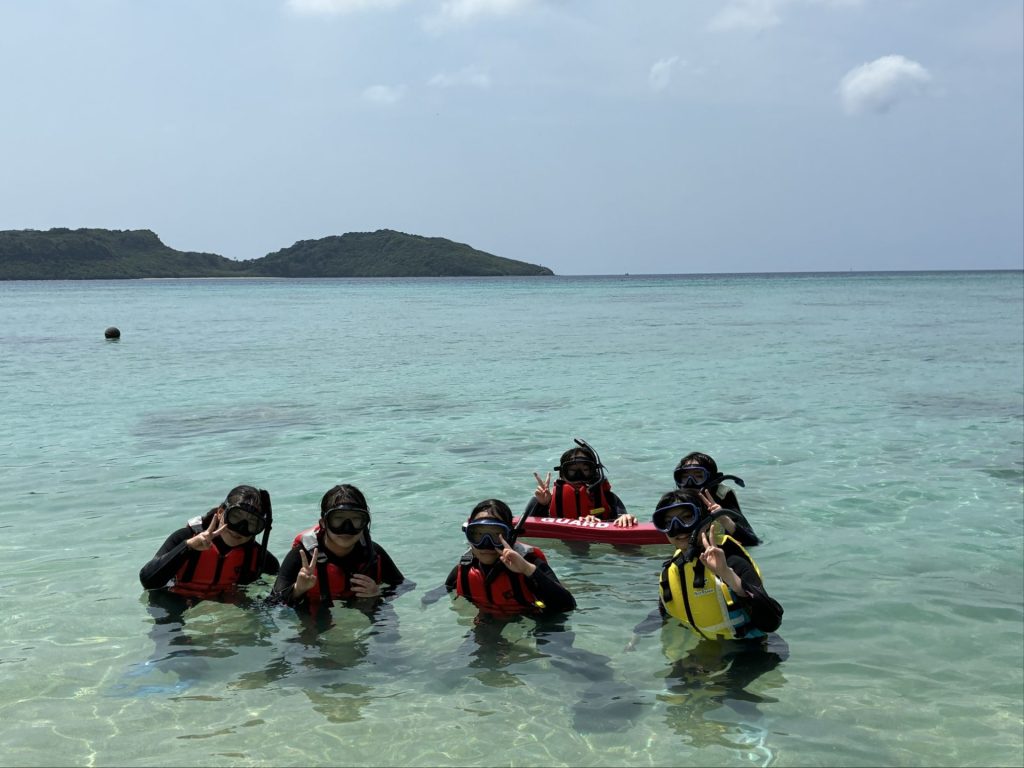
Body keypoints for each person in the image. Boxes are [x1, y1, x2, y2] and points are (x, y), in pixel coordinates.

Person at [651, 487, 782, 640]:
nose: (677, 527)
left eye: (687, 517)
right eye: (668, 522)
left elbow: (771, 622)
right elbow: (664, 611)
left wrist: (727, 574)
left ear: (706, 520)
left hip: (750, 648)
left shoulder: (731, 559)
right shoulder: (673, 568)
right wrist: (636, 635)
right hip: (709, 647)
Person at [270, 483, 408, 614]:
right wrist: (297, 590)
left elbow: (404, 586)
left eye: (356, 519)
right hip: (316, 611)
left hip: (359, 607)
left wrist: (377, 593)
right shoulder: (302, 556)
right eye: (338, 519)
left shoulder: (373, 554)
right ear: (324, 523)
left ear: (364, 523)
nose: (347, 528)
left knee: (388, 628)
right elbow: (272, 604)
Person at [438, 498, 577, 617]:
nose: (486, 544)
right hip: (489, 619)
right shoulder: (465, 568)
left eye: (496, 535)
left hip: (536, 618)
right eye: (478, 535)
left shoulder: (529, 563)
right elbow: (443, 590)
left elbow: (567, 605)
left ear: (510, 536)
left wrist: (528, 569)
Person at [139, 484, 279, 602]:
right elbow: (148, 581)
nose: (240, 529)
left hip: (223, 603)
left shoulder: (256, 557)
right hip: (176, 598)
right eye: (235, 517)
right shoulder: (186, 537)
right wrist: (188, 547)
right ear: (221, 512)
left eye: (252, 523)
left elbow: (279, 585)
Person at [526, 438, 637, 527]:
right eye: (572, 471)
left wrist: (624, 518)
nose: (579, 476)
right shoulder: (544, 500)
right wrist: (542, 505)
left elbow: (622, 521)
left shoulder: (609, 498)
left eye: (585, 470)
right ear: (562, 473)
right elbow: (525, 530)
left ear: (594, 472)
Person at [673, 451, 759, 546]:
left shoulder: (722, 498)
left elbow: (753, 542)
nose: (690, 482)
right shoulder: (675, 502)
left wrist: (723, 518)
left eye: (699, 476)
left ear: (711, 479)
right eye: (684, 477)